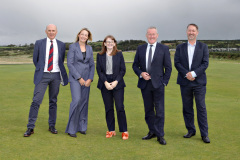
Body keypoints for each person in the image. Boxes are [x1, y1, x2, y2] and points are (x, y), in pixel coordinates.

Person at [23, 24, 68, 137]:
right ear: (45, 31)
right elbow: (35, 59)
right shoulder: (39, 43)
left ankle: (52, 126)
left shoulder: (61, 45)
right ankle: (30, 127)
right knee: (36, 101)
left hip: (56, 75)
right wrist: (42, 70)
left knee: (53, 101)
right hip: (42, 75)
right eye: (49, 30)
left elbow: (61, 60)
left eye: (53, 30)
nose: (51, 32)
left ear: (56, 32)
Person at [132, 27, 172, 145]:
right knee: (148, 110)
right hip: (145, 85)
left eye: (153, 34)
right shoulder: (140, 48)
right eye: (149, 34)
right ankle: (152, 131)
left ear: (157, 35)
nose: (151, 36)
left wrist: (164, 82)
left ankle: (160, 135)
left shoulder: (164, 48)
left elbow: (168, 67)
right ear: (146, 35)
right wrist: (141, 74)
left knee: (159, 111)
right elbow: (135, 66)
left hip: (158, 85)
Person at [174, 23, 210, 143]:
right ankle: (191, 130)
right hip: (185, 82)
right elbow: (177, 63)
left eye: (193, 31)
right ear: (186, 32)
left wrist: (193, 74)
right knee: (187, 108)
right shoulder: (180, 47)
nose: (191, 33)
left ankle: (204, 134)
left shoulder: (203, 47)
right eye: (189, 30)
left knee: (201, 108)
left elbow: (205, 63)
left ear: (197, 32)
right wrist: (187, 74)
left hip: (199, 82)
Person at [96, 35, 129, 140]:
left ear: (114, 43)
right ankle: (111, 130)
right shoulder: (99, 55)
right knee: (108, 108)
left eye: (112, 42)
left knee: (120, 107)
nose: (109, 43)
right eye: (107, 42)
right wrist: (105, 82)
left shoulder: (119, 54)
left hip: (117, 84)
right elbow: (99, 71)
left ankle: (124, 131)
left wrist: (116, 82)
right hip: (104, 84)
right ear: (104, 44)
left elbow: (122, 70)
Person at [65, 28, 95, 138]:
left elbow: (92, 65)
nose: (83, 36)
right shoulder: (73, 47)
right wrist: (79, 78)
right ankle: (71, 129)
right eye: (82, 34)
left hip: (87, 79)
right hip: (75, 79)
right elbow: (70, 64)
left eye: (86, 35)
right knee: (76, 100)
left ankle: (82, 127)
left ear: (88, 37)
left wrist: (90, 79)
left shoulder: (90, 48)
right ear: (78, 35)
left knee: (84, 102)